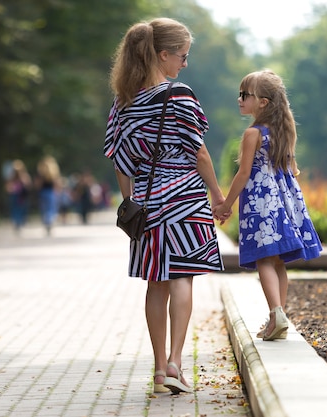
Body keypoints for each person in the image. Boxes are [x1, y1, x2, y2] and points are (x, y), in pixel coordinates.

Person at [104, 18, 226, 394]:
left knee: (156, 285)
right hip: (186, 202)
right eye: (182, 56)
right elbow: (199, 152)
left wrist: (131, 202)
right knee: (182, 279)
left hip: (147, 203)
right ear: (163, 54)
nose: (184, 65)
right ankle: (175, 363)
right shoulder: (179, 95)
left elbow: (120, 161)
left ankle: (159, 372)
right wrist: (218, 196)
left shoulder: (123, 102)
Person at [213, 69, 323, 341]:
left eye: (245, 95)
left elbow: (243, 174)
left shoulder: (253, 133)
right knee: (277, 262)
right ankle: (278, 317)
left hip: (261, 203)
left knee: (264, 258)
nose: (239, 99)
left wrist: (226, 204)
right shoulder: (283, 130)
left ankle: (276, 312)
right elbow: (291, 170)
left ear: (262, 102)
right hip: (283, 201)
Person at [35, 155, 61, 235]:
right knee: (51, 209)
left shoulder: (40, 173)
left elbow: (37, 185)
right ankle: (49, 222)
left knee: (44, 209)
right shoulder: (54, 172)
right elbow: (57, 184)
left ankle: (46, 222)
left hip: (43, 192)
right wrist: (57, 192)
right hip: (50, 193)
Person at [5, 159, 32, 232]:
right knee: (15, 209)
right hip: (14, 195)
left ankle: (20, 221)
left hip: (22, 195)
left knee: (22, 209)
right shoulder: (11, 176)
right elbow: (8, 187)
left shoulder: (24, 175)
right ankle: (17, 222)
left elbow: (28, 185)